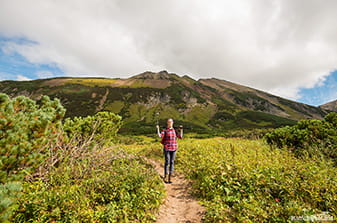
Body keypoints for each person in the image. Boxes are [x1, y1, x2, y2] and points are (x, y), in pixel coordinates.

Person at [156, 118, 183, 183]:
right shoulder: (165, 130)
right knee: (167, 162)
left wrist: (181, 130)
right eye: (169, 122)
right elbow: (160, 136)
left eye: (171, 122)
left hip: (174, 148)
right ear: (167, 123)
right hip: (167, 148)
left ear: (172, 123)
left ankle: (170, 176)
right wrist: (158, 129)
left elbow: (180, 137)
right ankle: (166, 175)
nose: (170, 123)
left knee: (172, 162)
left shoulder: (175, 130)